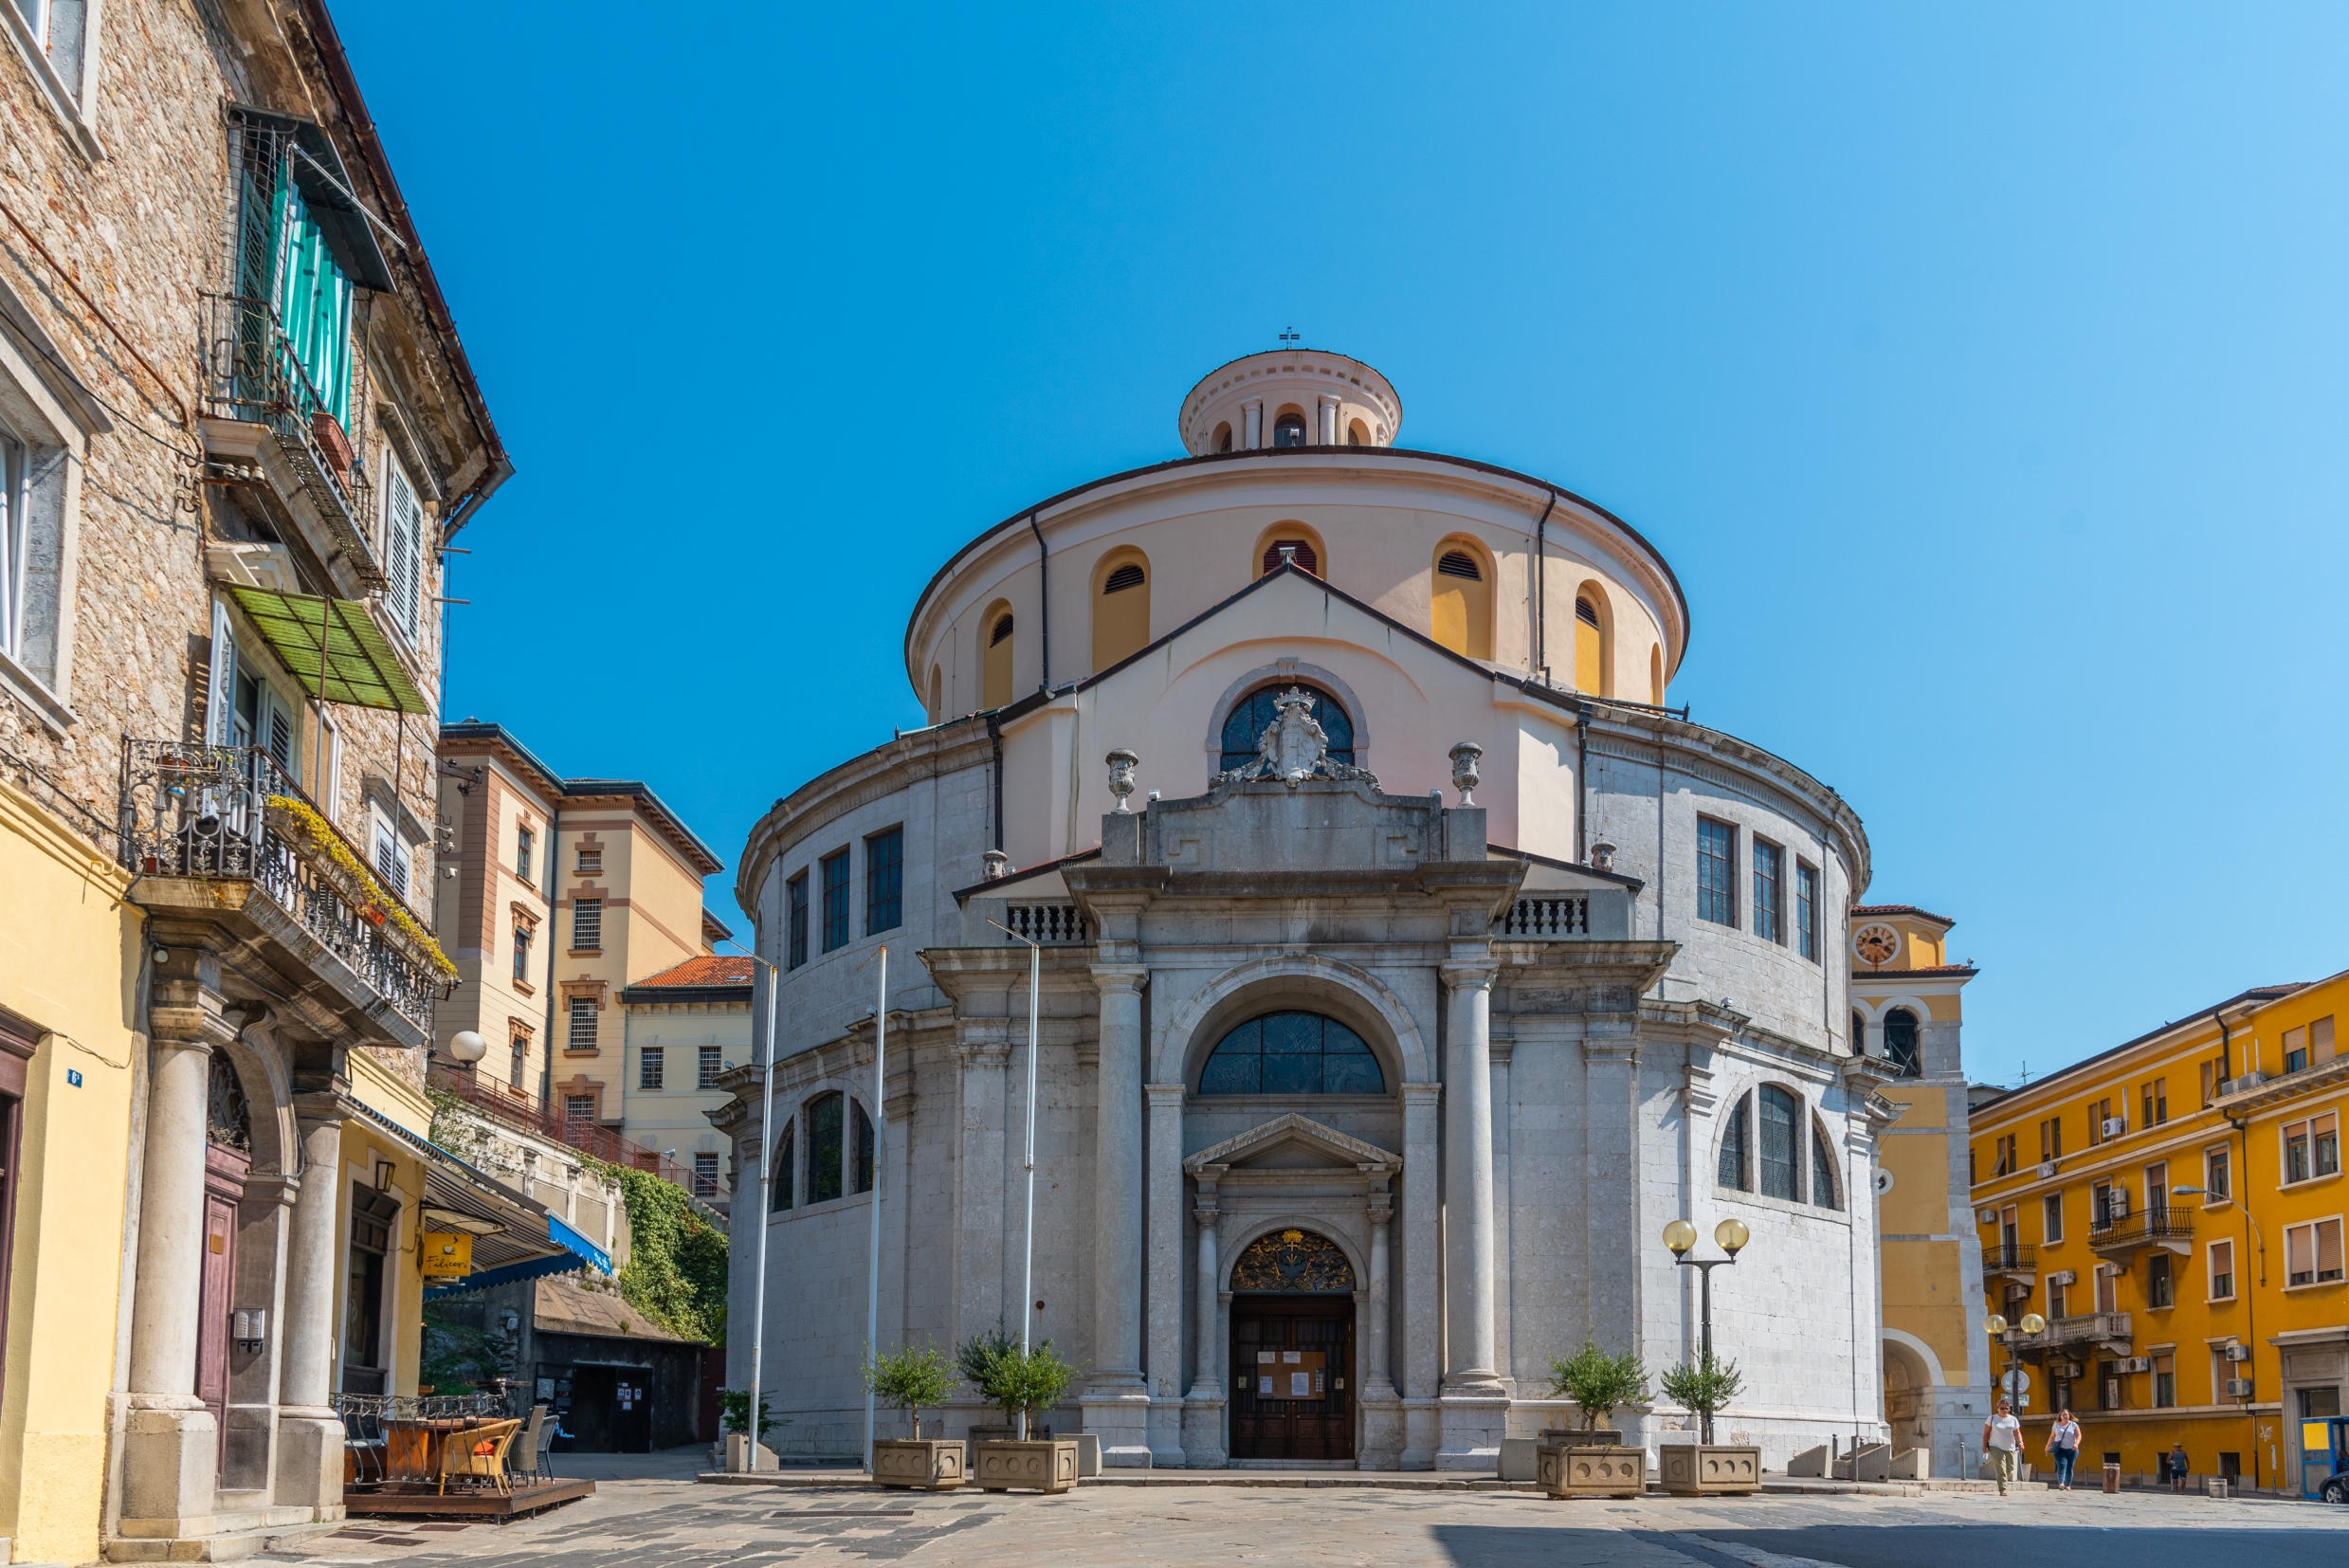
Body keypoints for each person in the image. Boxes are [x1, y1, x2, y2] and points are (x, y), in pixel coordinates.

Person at [1983, 1398, 2024, 1496]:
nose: (2004, 1410)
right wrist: (1984, 1445)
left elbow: (2017, 1432)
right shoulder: (1992, 1418)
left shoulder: (2013, 1419)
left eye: (2006, 1408)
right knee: (2001, 1467)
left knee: (2010, 1468)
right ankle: (2003, 1489)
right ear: (1997, 1408)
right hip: (1995, 1446)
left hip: (2010, 1446)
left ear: (2009, 1409)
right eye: (2002, 1408)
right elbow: (1986, 1433)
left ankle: (2002, 1480)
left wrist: (2021, 1442)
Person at [2047, 1408, 2082, 1490]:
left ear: (2069, 1416)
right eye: (2063, 1414)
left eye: (2066, 1414)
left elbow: (2079, 1435)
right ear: (2060, 1416)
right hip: (2059, 1449)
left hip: (2072, 1449)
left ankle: (2068, 1485)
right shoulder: (2056, 1425)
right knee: (2062, 1465)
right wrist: (2047, 1446)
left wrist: (2076, 1444)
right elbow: (2052, 1436)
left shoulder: (2074, 1425)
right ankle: (2061, 1483)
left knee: (2070, 1467)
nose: (2065, 1416)